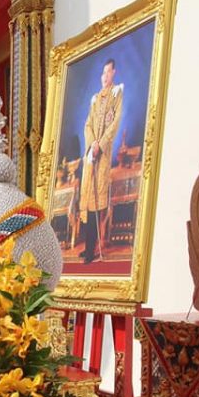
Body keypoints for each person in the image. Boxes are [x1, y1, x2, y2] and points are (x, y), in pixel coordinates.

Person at [79, 58, 123, 263]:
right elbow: (87, 124)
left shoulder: (117, 94)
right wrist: (92, 144)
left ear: (114, 73)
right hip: (91, 154)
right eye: (103, 73)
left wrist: (101, 144)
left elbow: (114, 123)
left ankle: (92, 248)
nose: (105, 76)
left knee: (97, 201)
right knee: (87, 199)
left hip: (103, 155)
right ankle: (88, 246)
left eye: (108, 72)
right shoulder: (95, 99)